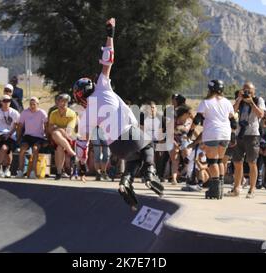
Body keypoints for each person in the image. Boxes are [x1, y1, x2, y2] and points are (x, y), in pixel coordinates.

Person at [73, 18, 164, 210]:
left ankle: (126, 182)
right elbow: (108, 58)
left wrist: (81, 166)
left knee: (134, 159)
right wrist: (110, 34)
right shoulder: (102, 87)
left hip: (115, 147)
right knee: (148, 145)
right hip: (129, 133)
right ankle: (150, 173)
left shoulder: (85, 115)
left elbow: (82, 144)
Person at [193, 80, 235, 199]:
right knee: (220, 161)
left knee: (212, 162)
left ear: (210, 89)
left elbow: (197, 119)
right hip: (225, 134)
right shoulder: (227, 102)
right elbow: (233, 121)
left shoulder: (206, 102)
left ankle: (215, 190)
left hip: (212, 133)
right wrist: (233, 134)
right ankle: (220, 189)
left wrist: (191, 131)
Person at [226, 81, 266, 199]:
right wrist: (238, 99)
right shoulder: (241, 100)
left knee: (252, 162)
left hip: (252, 134)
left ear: (254, 91)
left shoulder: (259, 100)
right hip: (239, 134)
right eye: (244, 89)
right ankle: (237, 187)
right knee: (237, 162)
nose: (246, 91)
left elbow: (261, 115)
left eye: (249, 90)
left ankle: (252, 188)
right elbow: (231, 113)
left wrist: (251, 102)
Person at [15, 97, 48, 179]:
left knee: (35, 149)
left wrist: (47, 138)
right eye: (31, 104)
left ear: (37, 104)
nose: (32, 106)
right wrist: (18, 137)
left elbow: (46, 126)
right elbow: (20, 126)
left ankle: (33, 172)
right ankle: (20, 171)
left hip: (38, 137)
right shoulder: (25, 112)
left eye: (34, 104)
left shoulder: (42, 113)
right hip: (27, 136)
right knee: (22, 149)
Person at [0, 94, 20, 178]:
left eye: (8, 101)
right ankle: (1, 169)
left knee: (5, 148)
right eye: (4, 101)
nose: (6, 103)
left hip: (10, 135)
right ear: (1, 102)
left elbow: (17, 126)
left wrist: (10, 134)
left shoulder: (15, 113)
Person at [48, 93, 77, 180]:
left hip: (69, 137)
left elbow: (69, 131)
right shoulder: (53, 113)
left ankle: (59, 172)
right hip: (56, 137)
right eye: (61, 101)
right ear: (57, 103)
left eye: (65, 101)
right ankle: (72, 153)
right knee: (56, 135)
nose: (63, 104)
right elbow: (50, 129)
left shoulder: (72, 114)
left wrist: (58, 128)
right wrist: (60, 130)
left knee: (59, 146)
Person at [170, 104, 193, 185]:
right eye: (189, 113)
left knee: (187, 157)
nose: (191, 115)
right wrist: (174, 142)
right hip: (173, 139)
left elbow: (193, 131)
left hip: (185, 141)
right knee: (175, 159)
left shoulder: (190, 121)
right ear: (184, 113)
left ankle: (189, 176)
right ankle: (174, 179)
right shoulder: (174, 120)